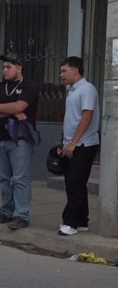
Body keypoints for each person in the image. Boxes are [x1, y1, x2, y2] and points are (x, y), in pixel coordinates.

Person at [0, 52, 40, 230]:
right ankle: (6, 211)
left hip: (20, 139)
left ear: (19, 68)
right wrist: (11, 111)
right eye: (3, 67)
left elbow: (19, 106)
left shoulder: (29, 86)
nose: (4, 70)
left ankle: (21, 215)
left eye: (9, 67)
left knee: (20, 178)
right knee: (3, 178)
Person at [57, 56, 100, 236]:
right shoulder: (73, 91)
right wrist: (65, 142)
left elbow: (87, 116)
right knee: (76, 183)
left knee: (74, 183)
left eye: (64, 71)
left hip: (84, 144)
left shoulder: (87, 89)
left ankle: (71, 223)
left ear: (76, 70)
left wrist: (74, 143)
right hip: (72, 143)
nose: (61, 75)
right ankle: (82, 220)